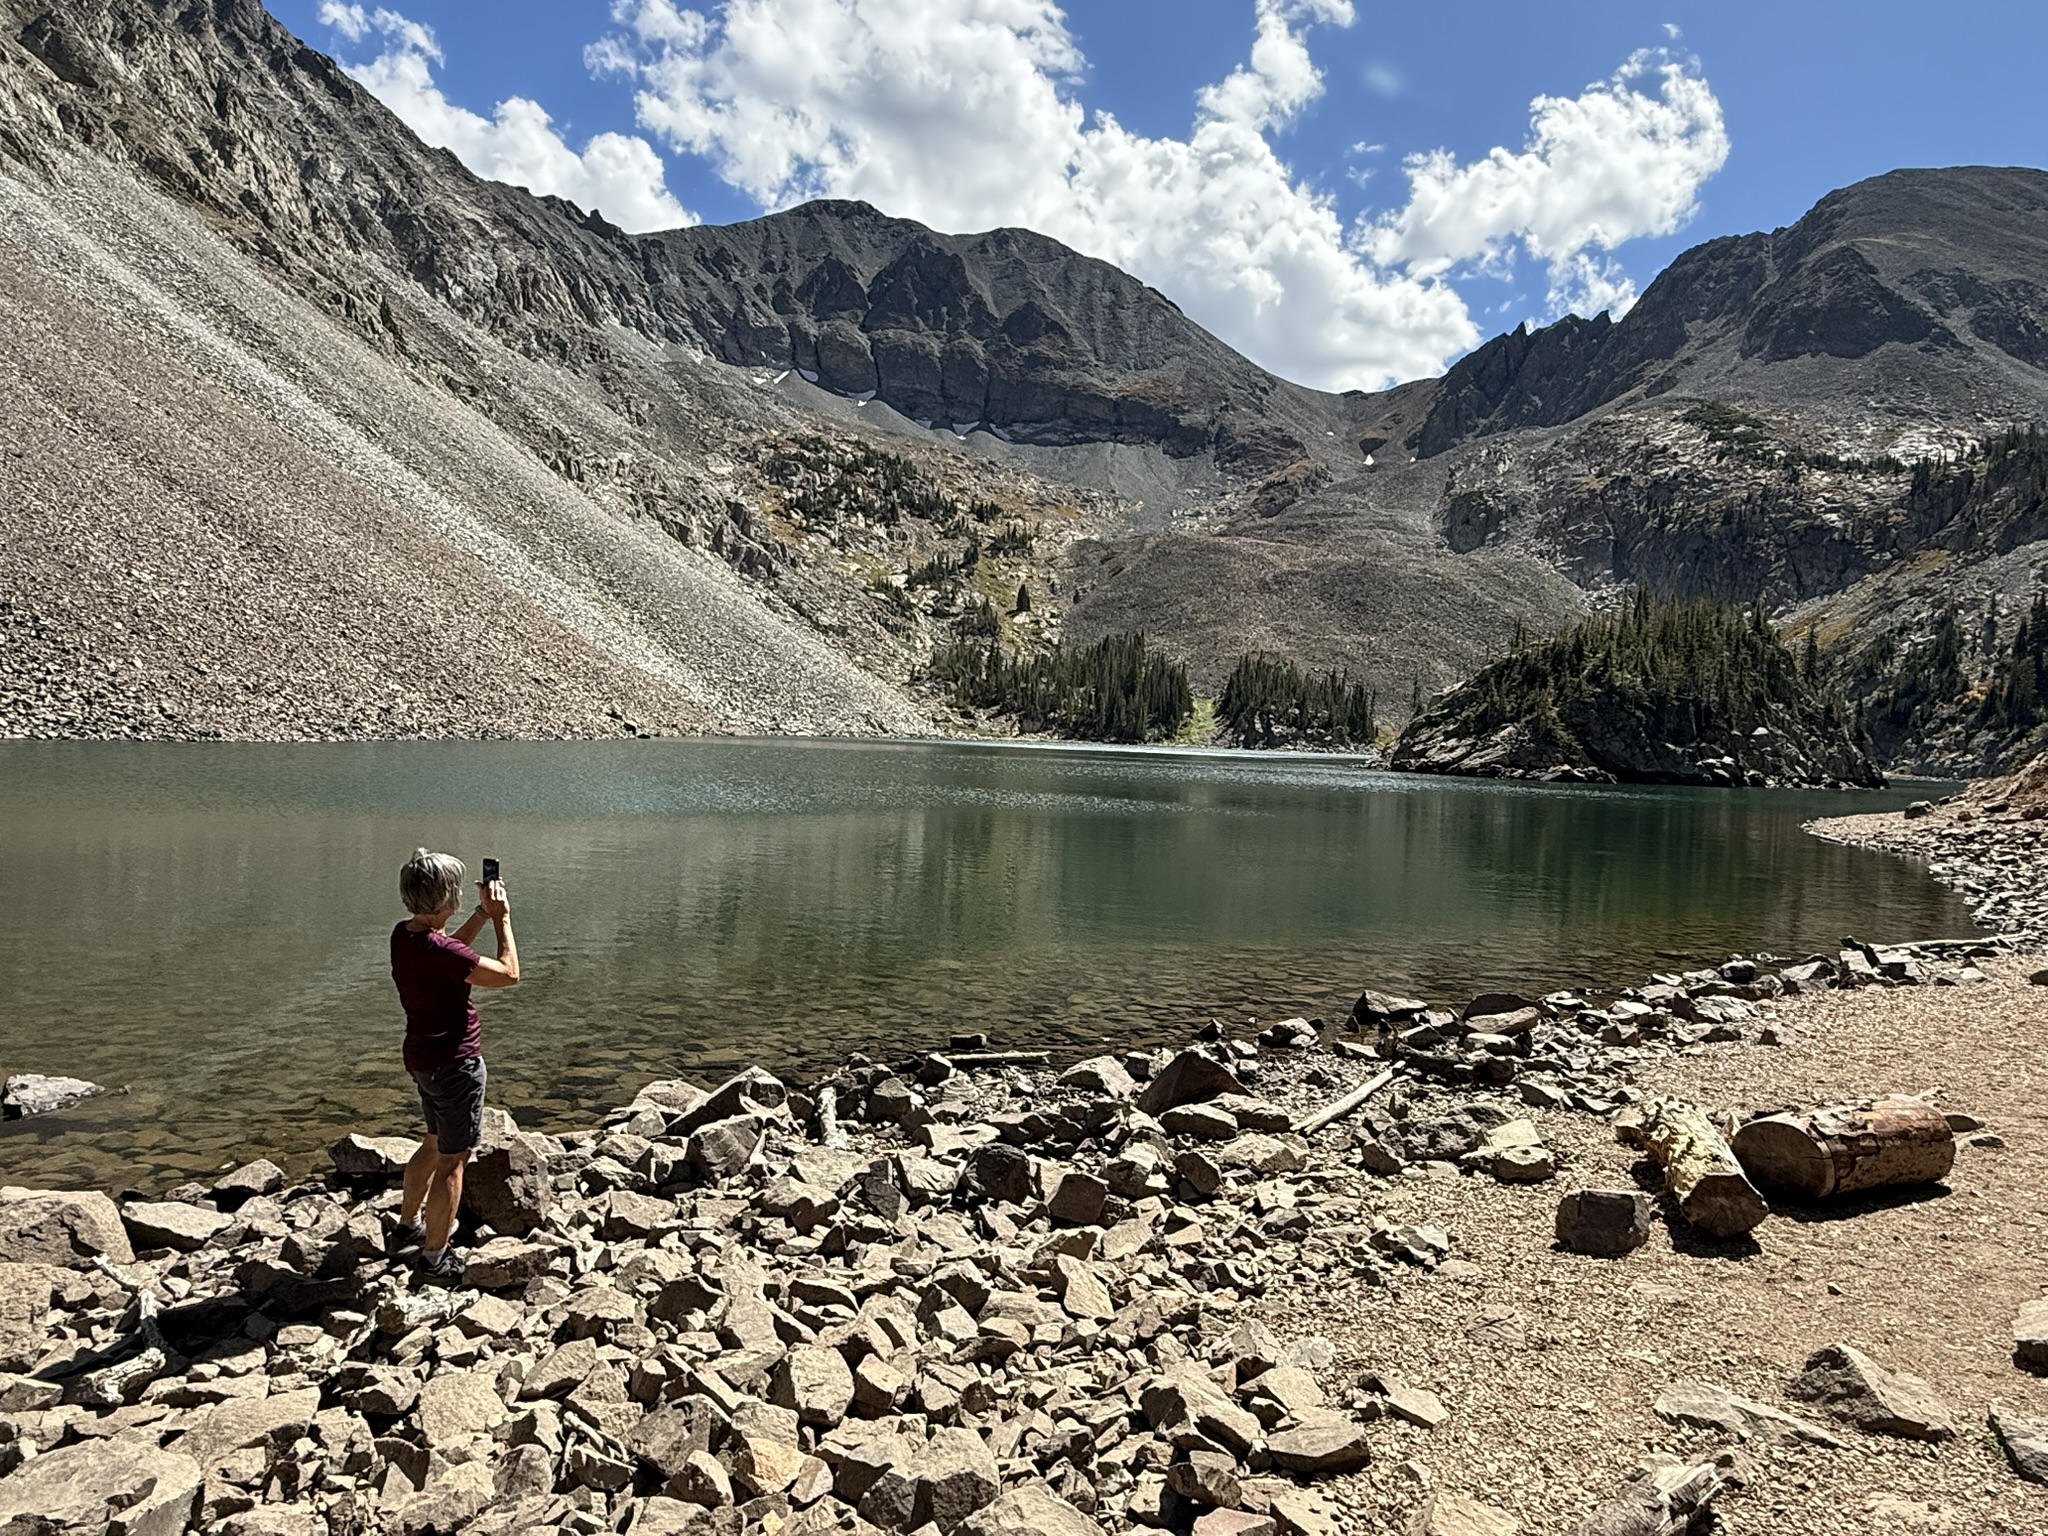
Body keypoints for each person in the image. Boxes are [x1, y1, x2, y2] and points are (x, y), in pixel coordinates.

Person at [390, 848, 519, 1281]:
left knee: (432, 1143)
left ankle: (407, 1228)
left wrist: (480, 917)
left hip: (423, 1060)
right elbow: (508, 974)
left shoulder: (404, 936)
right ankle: (434, 1258)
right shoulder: (440, 951)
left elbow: (449, 952)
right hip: (456, 1064)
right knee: (453, 1160)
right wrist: (501, 918)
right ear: (446, 898)